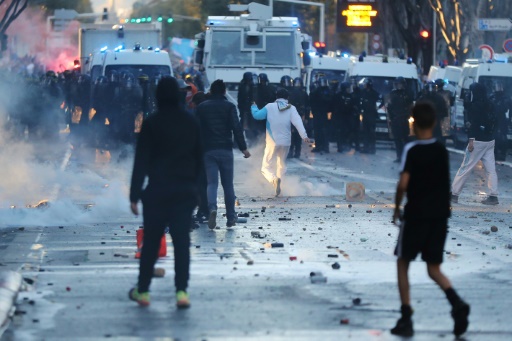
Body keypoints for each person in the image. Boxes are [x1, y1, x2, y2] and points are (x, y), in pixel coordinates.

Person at [391, 101, 470, 338]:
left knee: (403, 262)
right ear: (435, 123)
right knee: (433, 268)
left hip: (416, 215)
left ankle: (406, 317)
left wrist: (396, 208)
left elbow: (403, 183)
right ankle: (457, 303)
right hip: (439, 215)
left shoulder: (412, 150)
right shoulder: (441, 151)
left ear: (413, 123)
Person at [129, 76, 203, 309]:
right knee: (181, 243)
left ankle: (143, 291)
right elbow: (200, 158)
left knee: (151, 243)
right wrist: (197, 190)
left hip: (157, 192)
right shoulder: (190, 122)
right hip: (184, 191)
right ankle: (181, 292)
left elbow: (140, 161)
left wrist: (134, 195)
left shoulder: (151, 123)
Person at [196, 79, 251, 229]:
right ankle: (231, 217)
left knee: (212, 183)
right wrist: (243, 148)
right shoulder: (229, 106)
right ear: (224, 91)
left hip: (208, 151)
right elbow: (236, 128)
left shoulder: (201, 107)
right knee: (228, 185)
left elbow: (196, 129)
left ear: (211, 91)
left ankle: (212, 208)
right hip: (226, 150)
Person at [251, 88, 309, 196]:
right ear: (287, 98)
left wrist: (253, 106)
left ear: (276, 97)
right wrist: (304, 136)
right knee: (281, 164)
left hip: (272, 141)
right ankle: (280, 189)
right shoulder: (291, 108)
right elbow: (298, 122)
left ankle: (274, 180)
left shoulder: (269, 106)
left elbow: (257, 116)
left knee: (266, 167)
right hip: (286, 142)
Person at [451, 82, 499, 205]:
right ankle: (493, 196)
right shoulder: (491, 104)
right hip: (489, 140)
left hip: (477, 141)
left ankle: (454, 194)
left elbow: (475, 123)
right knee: (491, 169)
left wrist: (471, 140)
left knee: (465, 167)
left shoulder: (476, 105)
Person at [387, 77, 413, 162]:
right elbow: (389, 107)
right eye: (397, 84)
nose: (398, 86)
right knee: (397, 139)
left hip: (405, 119)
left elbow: (410, 105)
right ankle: (399, 156)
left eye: (400, 84)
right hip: (396, 119)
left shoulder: (407, 94)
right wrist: (391, 117)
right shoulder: (393, 94)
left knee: (406, 139)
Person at [489, 81, 512, 161]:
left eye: (500, 86)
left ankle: (502, 153)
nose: (499, 88)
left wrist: (509, 119)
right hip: (493, 120)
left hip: (502, 120)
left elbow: (507, 109)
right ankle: (494, 152)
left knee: (502, 137)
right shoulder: (492, 97)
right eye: (497, 86)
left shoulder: (505, 98)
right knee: (492, 137)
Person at [310, 76, 332, 153]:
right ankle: (318, 146)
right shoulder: (316, 91)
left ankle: (325, 147)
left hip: (324, 114)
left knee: (324, 131)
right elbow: (312, 100)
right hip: (317, 113)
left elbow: (329, 101)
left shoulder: (328, 91)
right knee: (317, 131)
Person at [359, 78, 382, 154]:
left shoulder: (374, 93)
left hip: (372, 115)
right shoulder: (363, 92)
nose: (364, 85)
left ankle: (372, 148)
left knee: (371, 132)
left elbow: (382, 100)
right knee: (365, 132)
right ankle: (366, 147)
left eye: (365, 84)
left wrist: (378, 107)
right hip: (365, 114)